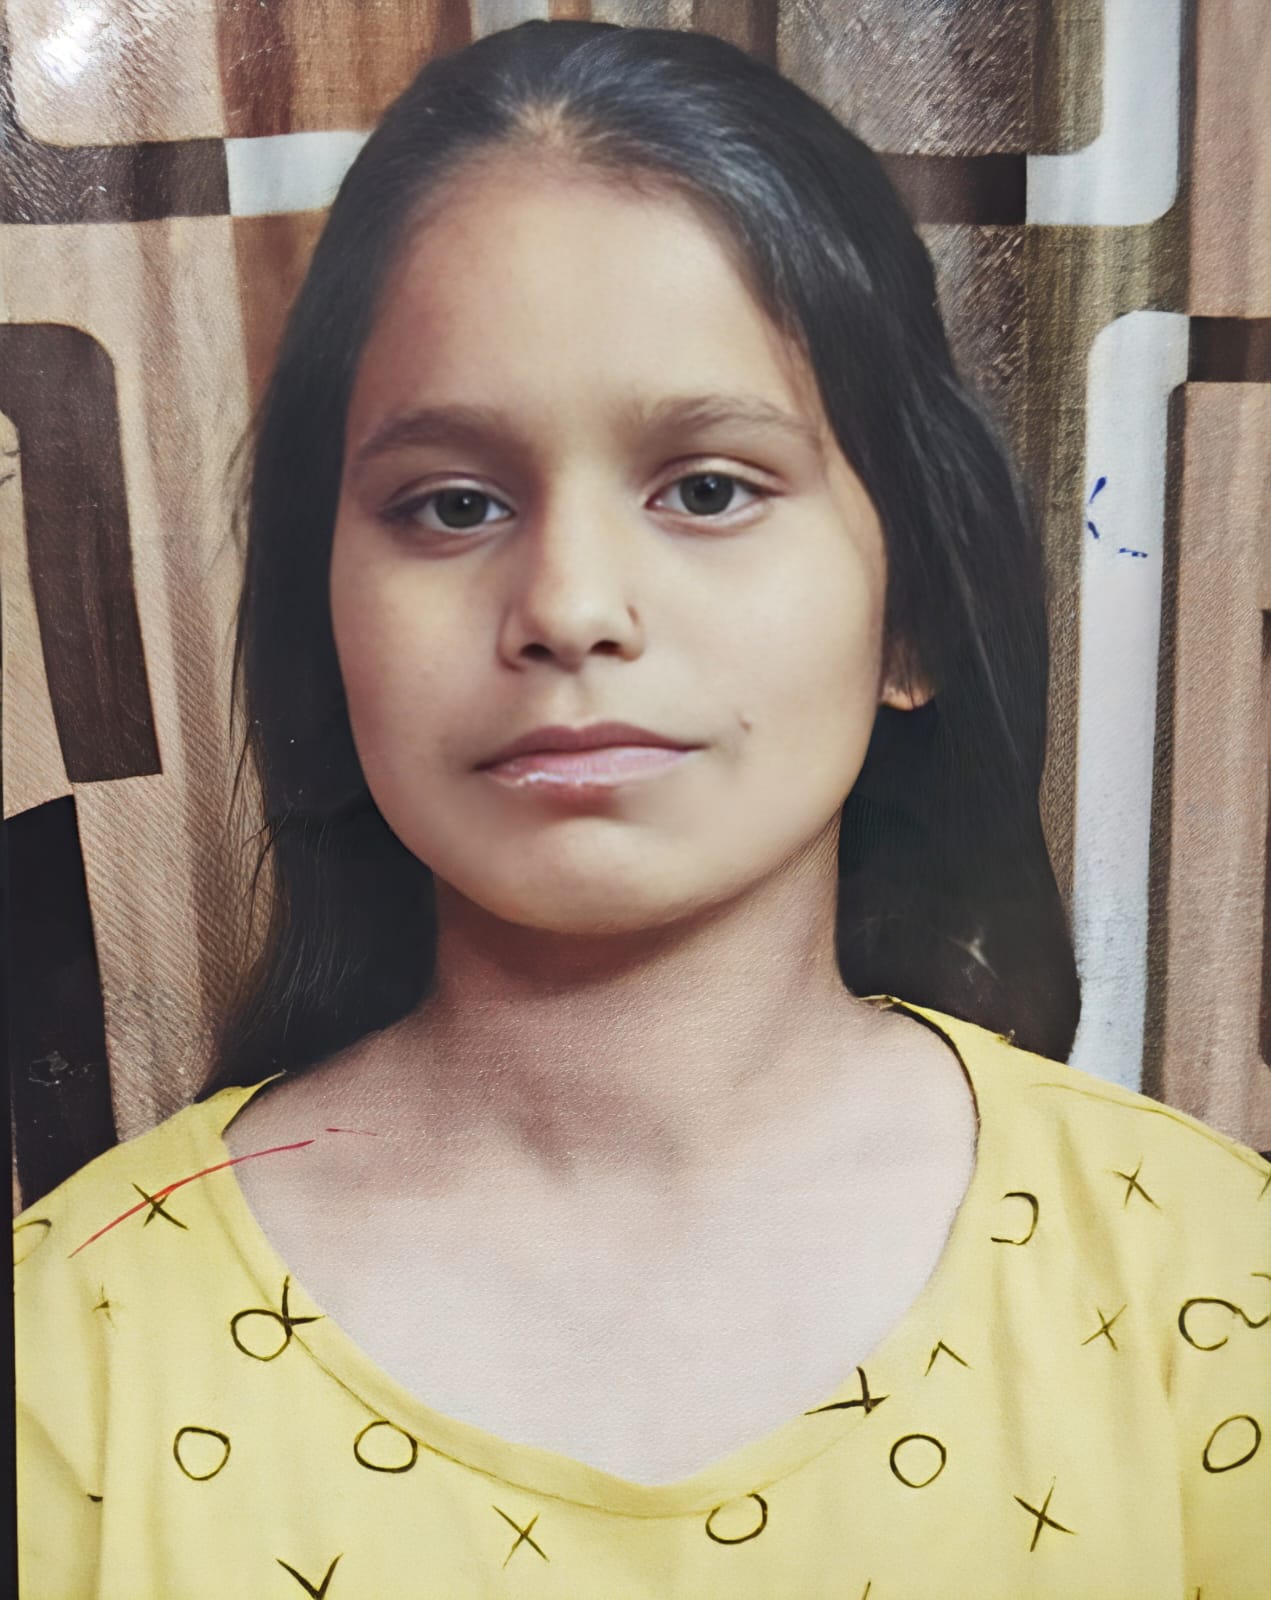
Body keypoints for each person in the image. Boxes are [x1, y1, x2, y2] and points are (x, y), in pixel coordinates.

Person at [14, 19, 1268, 1599]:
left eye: (709, 488)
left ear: (913, 618)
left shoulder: (1207, 1290)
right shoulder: (69, 1360)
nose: (570, 606)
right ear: (327, 624)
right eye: (453, 504)